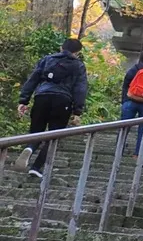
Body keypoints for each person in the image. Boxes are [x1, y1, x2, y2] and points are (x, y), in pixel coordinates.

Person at [16, 38, 89, 178]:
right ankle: (36, 168)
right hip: (63, 101)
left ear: (61, 47)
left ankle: (29, 148)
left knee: (36, 131)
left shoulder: (47, 59)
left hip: (42, 97)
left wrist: (23, 100)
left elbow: (33, 79)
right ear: (77, 53)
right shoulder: (78, 65)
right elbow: (80, 88)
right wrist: (77, 111)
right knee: (54, 136)